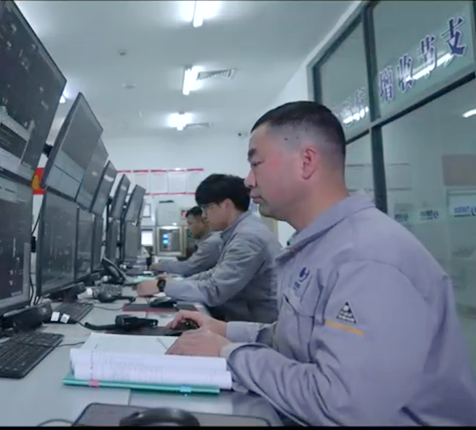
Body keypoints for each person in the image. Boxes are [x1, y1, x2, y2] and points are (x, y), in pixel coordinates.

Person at [164, 101, 476, 426]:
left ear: (306, 162)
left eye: (256, 164)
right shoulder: (319, 246)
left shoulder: (368, 258)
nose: (249, 181)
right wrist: (225, 330)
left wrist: (228, 354)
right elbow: (299, 340)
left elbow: (341, 404)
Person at [137, 174, 281, 323]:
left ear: (226, 205)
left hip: (257, 326)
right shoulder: (240, 231)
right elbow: (216, 273)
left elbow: (215, 291)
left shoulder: (247, 238)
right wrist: (173, 283)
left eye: (206, 208)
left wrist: (163, 286)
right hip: (244, 318)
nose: (204, 216)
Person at [149, 206, 222, 277]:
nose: (188, 228)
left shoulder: (211, 243)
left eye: (190, 223)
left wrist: (162, 265)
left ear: (203, 222)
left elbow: (188, 267)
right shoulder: (206, 241)